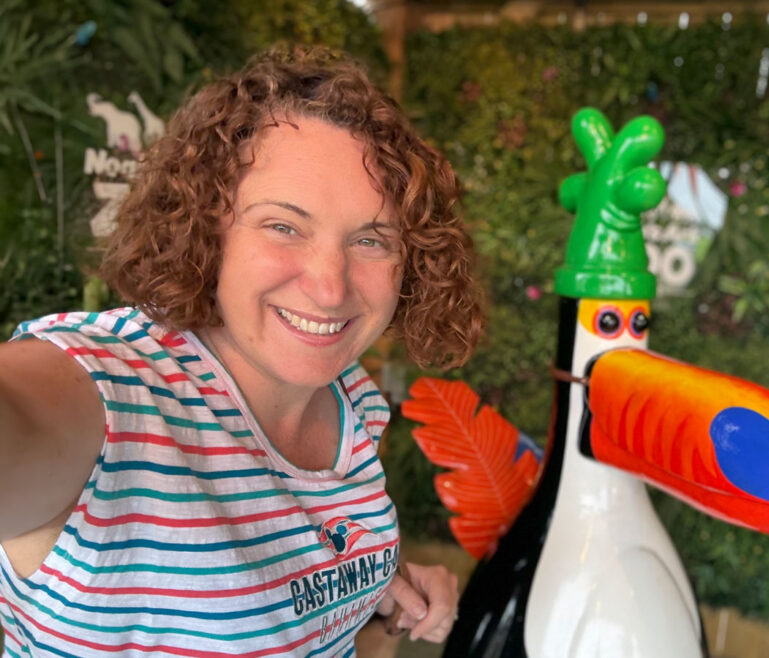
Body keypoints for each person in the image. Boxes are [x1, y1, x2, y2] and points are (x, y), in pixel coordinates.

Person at [0, 45, 483, 656]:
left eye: (370, 238)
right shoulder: (110, 389)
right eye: (284, 226)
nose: (330, 287)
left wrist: (375, 585)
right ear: (205, 227)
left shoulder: (350, 398)